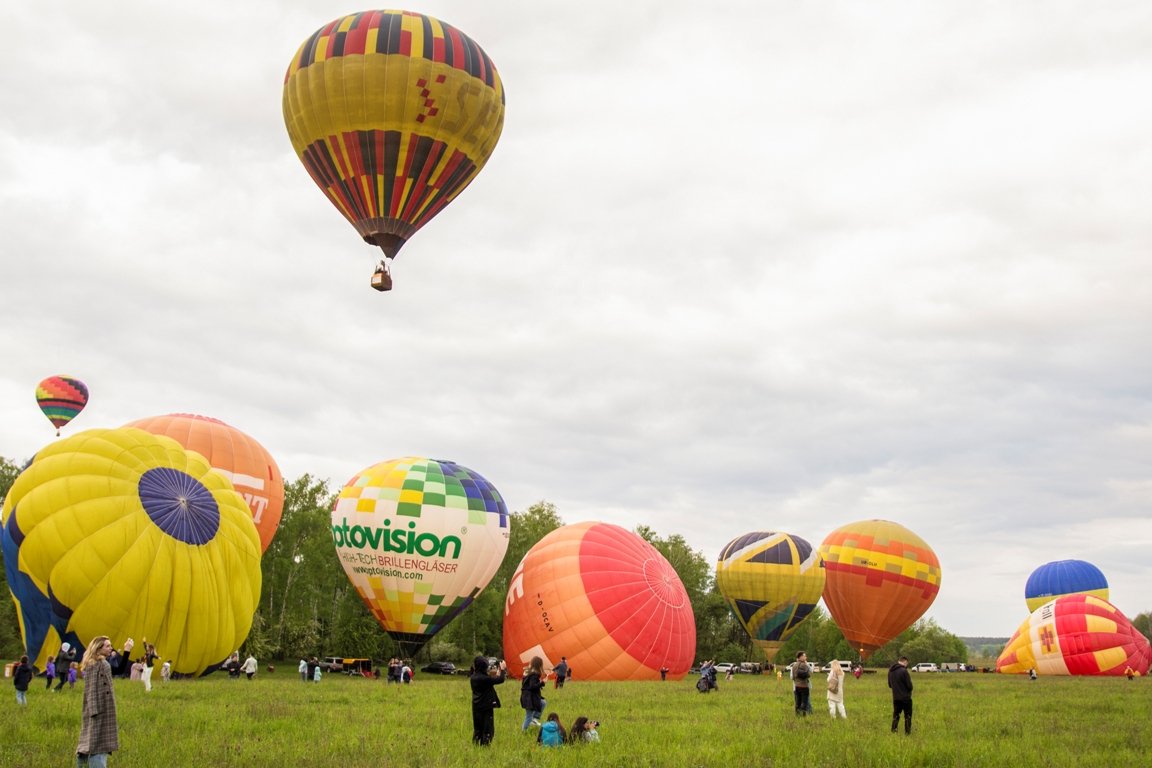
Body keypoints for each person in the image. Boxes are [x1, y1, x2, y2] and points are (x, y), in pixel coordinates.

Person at [76, 635, 134, 767]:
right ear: (98, 648)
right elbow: (91, 690)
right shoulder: (97, 664)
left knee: (92, 741)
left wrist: (127, 650)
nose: (110, 648)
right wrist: (94, 711)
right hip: (99, 710)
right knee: (97, 744)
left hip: (100, 709)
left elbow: (118, 670)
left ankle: (83, 763)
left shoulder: (99, 664)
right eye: (107, 646)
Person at [470, 656, 507, 746]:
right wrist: (502, 669)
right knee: (487, 727)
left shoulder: (474, 677)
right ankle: (485, 745)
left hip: (476, 705)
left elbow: (491, 679)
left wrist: (498, 672)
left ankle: (476, 743)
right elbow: (500, 680)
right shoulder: (484, 679)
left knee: (478, 727)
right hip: (486, 706)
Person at [520, 656, 548, 731]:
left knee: (543, 702)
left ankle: (535, 719)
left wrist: (539, 682)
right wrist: (542, 683)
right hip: (529, 698)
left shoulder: (528, 672)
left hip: (528, 696)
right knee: (528, 715)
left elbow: (529, 685)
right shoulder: (534, 674)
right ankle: (523, 731)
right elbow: (532, 686)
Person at [888, 656, 914, 735]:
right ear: (905, 662)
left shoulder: (891, 671)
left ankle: (893, 730)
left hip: (896, 697)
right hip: (906, 698)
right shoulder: (904, 671)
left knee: (896, 716)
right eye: (907, 664)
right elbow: (910, 686)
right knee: (907, 716)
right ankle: (907, 732)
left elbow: (890, 685)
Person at [790, 651, 811, 716]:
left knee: (798, 701)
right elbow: (809, 674)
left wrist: (797, 681)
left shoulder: (794, 666)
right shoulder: (804, 665)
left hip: (797, 686)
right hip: (804, 686)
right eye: (804, 656)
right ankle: (804, 714)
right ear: (801, 657)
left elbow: (793, 677)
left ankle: (797, 714)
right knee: (804, 701)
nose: (806, 657)